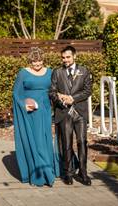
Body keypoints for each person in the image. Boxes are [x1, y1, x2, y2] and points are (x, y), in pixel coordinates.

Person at [12, 47, 59, 187]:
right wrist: (24, 104)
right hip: (31, 112)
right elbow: (16, 93)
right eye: (34, 62)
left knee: (45, 140)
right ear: (30, 61)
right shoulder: (23, 73)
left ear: (43, 60)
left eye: (39, 62)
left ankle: (48, 169)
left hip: (45, 110)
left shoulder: (50, 72)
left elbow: (55, 90)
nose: (37, 65)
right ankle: (42, 174)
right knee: (37, 141)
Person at [49, 45, 92, 186]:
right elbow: (52, 92)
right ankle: (68, 173)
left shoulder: (84, 71)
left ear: (74, 56)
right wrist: (61, 100)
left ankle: (83, 172)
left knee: (82, 142)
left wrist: (73, 98)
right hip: (64, 112)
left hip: (80, 113)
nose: (65, 60)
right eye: (63, 57)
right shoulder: (57, 72)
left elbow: (87, 91)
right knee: (66, 144)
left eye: (68, 57)